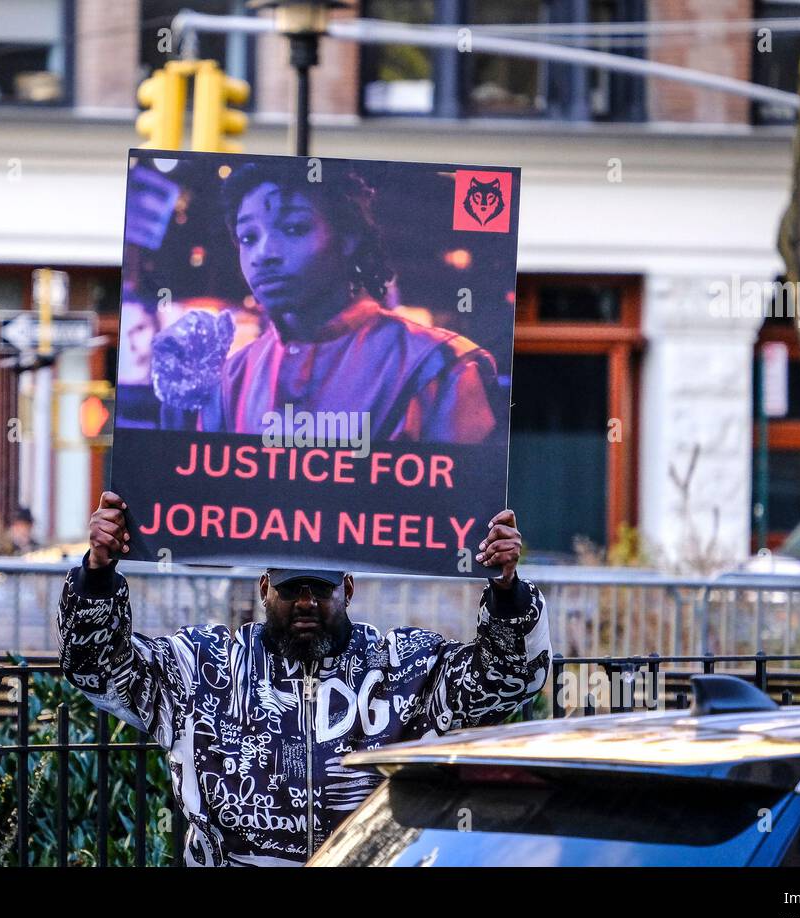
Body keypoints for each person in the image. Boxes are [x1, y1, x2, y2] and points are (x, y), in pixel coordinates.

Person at [57, 491, 552, 866]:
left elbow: (507, 680)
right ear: (265, 587)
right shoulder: (204, 665)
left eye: (322, 587)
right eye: (293, 588)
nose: (308, 602)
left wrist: (506, 588)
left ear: (349, 588)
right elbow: (99, 668)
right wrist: (98, 573)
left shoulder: (403, 665)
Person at [152, 162, 501, 444]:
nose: (263, 255)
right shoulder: (233, 378)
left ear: (347, 237)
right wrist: (180, 407)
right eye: (248, 236)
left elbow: (462, 517)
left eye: (294, 228)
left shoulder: (439, 366)